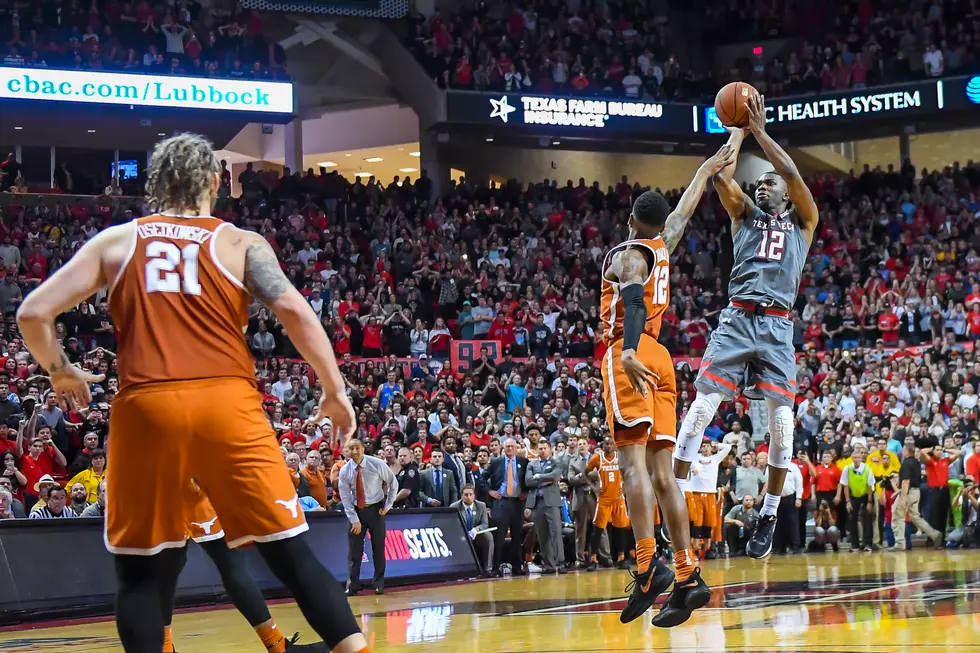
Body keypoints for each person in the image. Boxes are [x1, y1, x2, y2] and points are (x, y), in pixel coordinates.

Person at [17, 133, 370, 653]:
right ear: (213, 182)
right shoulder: (240, 243)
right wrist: (334, 389)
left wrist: (60, 369)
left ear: (156, 185)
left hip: (147, 408)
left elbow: (32, 313)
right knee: (292, 557)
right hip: (227, 404)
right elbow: (295, 311)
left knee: (139, 576)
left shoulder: (115, 242)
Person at [673, 93, 819, 560]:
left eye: (770, 183)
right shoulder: (743, 217)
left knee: (782, 427)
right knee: (699, 412)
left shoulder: (804, 223)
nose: (763, 185)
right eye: (758, 182)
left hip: (777, 327)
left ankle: (770, 512)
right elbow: (721, 175)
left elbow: (793, 172)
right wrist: (734, 128)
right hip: (738, 317)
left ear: (785, 195)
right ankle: (670, 499)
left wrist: (758, 131)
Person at [599, 141, 736, 626]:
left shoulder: (630, 253)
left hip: (629, 353)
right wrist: (724, 151)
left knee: (631, 467)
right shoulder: (664, 241)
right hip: (664, 360)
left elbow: (633, 303)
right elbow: (687, 204)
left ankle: (645, 566)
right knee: (663, 475)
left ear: (633, 218)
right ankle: (686, 573)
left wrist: (629, 351)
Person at [338, 438, 398, 596]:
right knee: (354, 551)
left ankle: (378, 583)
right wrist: (354, 520)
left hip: (376, 510)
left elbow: (393, 482)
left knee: (378, 548)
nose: (355, 451)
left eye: (357, 448)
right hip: (357, 510)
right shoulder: (345, 471)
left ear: (363, 449)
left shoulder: (376, 464)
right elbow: (345, 498)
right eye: (351, 449)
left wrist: (388, 505)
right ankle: (353, 585)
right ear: (347, 452)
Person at [585, 437, 631, 571]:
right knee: (598, 530)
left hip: (618, 498)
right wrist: (593, 488)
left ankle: (621, 558)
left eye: (611, 444)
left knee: (621, 529)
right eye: (606, 444)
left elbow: (628, 473)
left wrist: (626, 486)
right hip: (604, 499)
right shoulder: (597, 458)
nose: (609, 446)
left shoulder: (621, 458)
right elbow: (585, 473)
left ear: (615, 446)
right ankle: (593, 559)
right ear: (602, 445)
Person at [486, 437, 529, 576]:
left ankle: (517, 566)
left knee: (517, 536)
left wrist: (526, 492)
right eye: (507, 447)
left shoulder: (524, 462)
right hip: (501, 502)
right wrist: (489, 491)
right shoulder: (496, 462)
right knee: (499, 536)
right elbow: (482, 478)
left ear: (516, 448)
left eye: (512, 446)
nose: (509, 449)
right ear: (503, 448)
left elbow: (529, 480)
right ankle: (495, 568)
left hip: (517, 502)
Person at [894, 437, 942, 549]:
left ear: (906, 452)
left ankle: (900, 543)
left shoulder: (906, 464)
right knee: (916, 517)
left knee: (898, 516)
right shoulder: (916, 462)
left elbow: (906, 481)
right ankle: (934, 534)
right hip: (916, 492)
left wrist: (903, 498)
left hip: (909, 492)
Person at [525, 439, 565, 573]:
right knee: (542, 535)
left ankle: (560, 562)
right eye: (540, 448)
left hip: (551, 501)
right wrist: (544, 480)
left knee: (556, 533)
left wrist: (539, 477)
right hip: (537, 502)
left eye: (544, 448)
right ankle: (549, 565)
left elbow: (555, 476)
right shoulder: (531, 464)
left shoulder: (556, 462)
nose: (542, 451)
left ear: (549, 449)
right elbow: (528, 481)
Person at [688, 441, 732, 559]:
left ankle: (707, 549)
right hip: (696, 494)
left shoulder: (715, 458)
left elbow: (728, 447)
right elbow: (688, 459)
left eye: (708, 446)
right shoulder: (695, 457)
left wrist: (716, 444)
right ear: (700, 448)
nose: (706, 448)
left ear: (712, 449)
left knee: (709, 522)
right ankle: (695, 549)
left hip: (710, 494)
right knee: (697, 522)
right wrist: (694, 468)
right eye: (703, 446)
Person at [838, 446, 876, 552]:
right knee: (852, 519)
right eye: (854, 457)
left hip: (865, 496)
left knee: (867, 519)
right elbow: (845, 485)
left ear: (861, 458)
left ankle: (868, 544)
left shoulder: (867, 469)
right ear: (852, 458)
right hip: (853, 496)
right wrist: (848, 501)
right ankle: (854, 545)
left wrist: (869, 502)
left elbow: (870, 486)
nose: (856, 459)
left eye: (858, 457)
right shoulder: (847, 468)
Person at [451, 484, 493, 575]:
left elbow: (485, 524)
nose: (468, 497)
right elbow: (453, 526)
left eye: (471, 494)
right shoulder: (454, 507)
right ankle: (464, 569)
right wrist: (465, 533)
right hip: (462, 536)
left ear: (474, 495)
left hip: (476, 535)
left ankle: (488, 569)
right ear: (461, 496)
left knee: (488, 536)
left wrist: (476, 529)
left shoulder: (481, 505)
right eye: (466, 495)